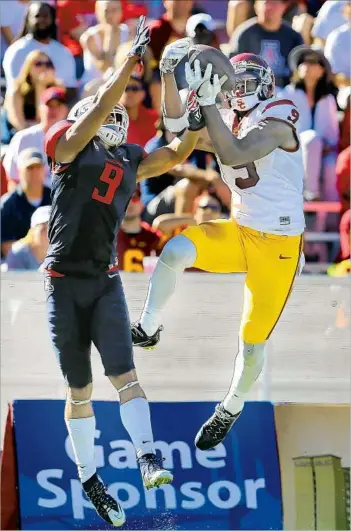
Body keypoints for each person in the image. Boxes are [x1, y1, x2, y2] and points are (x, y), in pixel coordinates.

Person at [42, 17, 201, 527]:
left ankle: (148, 456)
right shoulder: (66, 146)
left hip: (105, 279)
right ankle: (91, 479)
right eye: (106, 106)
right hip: (64, 283)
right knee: (80, 390)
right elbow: (88, 123)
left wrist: (200, 109)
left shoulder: (130, 156)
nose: (115, 113)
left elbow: (176, 153)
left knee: (125, 375)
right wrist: (126, 65)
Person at [132, 40, 305, 451]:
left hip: (278, 246)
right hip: (241, 230)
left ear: (265, 85)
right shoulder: (225, 113)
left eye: (246, 81)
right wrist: (169, 76)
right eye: (234, 82)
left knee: (251, 342)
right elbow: (175, 131)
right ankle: (149, 326)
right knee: (175, 251)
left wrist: (209, 105)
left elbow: (236, 150)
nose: (237, 89)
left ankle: (232, 404)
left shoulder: (278, 116)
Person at [280, 45, 339, 202]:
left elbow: (333, 135)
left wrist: (325, 146)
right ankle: (311, 193)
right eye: (303, 62)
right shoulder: (287, 94)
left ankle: (330, 220)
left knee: (331, 166)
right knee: (310, 139)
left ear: (321, 70)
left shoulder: (328, 99)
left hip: (324, 152)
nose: (307, 65)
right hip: (292, 152)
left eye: (313, 62)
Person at [2, 2, 77, 101]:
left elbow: (70, 88)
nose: (42, 20)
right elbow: (15, 90)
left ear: (53, 19)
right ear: (28, 19)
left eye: (46, 16)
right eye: (37, 16)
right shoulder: (17, 50)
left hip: (56, 109)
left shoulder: (63, 52)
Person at [3, 86, 69, 190]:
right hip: (29, 199)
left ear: (66, 110)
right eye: (50, 105)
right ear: (40, 109)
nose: (54, 110)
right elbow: (12, 178)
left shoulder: (71, 140)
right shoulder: (23, 138)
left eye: (58, 105)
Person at [228, 0, 304, 89]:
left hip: (284, 90)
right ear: (256, 7)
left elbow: (298, 71)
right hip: (251, 89)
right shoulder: (244, 33)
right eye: (266, 3)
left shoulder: (294, 37)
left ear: (284, 7)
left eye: (274, 3)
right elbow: (233, 66)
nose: (269, 7)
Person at [2, 50, 62, 144]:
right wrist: (39, 85)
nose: (44, 67)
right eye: (38, 63)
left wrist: (42, 87)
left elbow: (44, 120)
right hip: (17, 137)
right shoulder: (16, 90)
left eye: (48, 64)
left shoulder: (57, 88)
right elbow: (18, 123)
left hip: (45, 136)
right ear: (28, 67)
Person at [1, 148, 51, 257]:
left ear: (44, 170)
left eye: (38, 167)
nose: (34, 172)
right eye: (29, 168)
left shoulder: (55, 199)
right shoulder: (7, 205)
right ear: (19, 171)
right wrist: (33, 243)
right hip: (17, 266)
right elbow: (6, 246)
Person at [80, 0, 129, 91]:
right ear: (97, 12)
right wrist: (110, 34)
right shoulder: (89, 37)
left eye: (114, 10)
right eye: (106, 11)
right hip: (94, 86)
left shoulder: (128, 32)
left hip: (121, 84)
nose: (110, 15)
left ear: (121, 12)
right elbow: (105, 67)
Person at [117, 191, 166, 272]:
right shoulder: (108, 237)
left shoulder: (155, 237)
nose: (129, 203)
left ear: (142, 203)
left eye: (134, 198)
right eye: (124, 199)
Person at [6, 205, 51, 271]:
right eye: (44, 229)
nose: (49, 234)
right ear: (32, 231)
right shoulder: (18, 253)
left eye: (53, 229)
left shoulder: (66, 253)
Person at [120, 74, 158, 147]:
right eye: (125, 88)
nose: (130, 93)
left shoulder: (155, 119)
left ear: (143, 93)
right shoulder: (110, 120)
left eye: (134, 88)